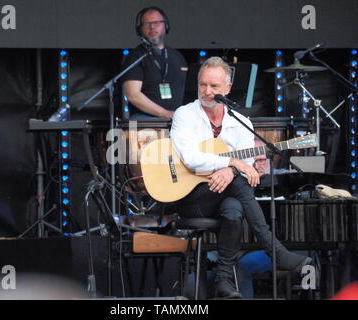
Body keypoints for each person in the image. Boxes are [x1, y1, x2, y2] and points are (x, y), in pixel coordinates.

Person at [170, 56, 312, 299]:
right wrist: (232, 163)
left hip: (226, 198)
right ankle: (275, 251)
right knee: (237, 183)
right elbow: (191, 158)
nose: (207, 91)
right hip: (191, 197)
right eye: (203, 84)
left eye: (214, 86)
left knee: (235, 208)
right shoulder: (185, 115)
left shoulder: (241, 122)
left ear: (227, 88)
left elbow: (246, 169)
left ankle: (224, 281)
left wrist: (231, 169)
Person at [121, 7, 188, 119]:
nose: (152, 27)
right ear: (140, 30)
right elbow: (132, 94)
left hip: (177, 119)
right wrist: (165, 113)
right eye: (146, 24)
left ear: (166, 26)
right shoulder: (136, 56)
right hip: (145, 119)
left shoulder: (177, 56)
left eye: (156, 23)